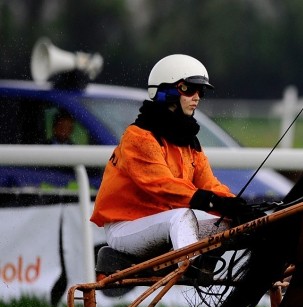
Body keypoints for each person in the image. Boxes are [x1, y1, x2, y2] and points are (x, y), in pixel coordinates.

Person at [90, 54, 257, 273]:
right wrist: (212, 202)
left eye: (201, 92)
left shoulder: (189, 141)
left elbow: (209, 185)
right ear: (165, 91)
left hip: (167, 222)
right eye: (189, 89)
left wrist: (237, 207)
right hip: (125, 229)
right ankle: (190, 266)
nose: (197, 97)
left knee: (238, 223)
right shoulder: (139, 137)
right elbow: (163, 186)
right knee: (180, 216)